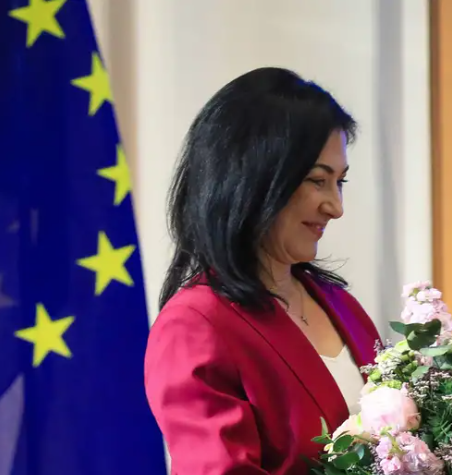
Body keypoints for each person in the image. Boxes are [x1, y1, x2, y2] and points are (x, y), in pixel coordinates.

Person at [143, 67, 380, 474]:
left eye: (340, 182)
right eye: (317, 181)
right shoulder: (195, 324)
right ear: (253, 178)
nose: (335, 207)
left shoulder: (340, 304)